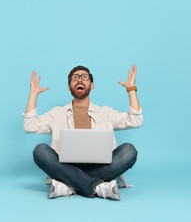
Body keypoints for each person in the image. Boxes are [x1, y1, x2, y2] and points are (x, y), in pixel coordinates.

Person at [23, 65, 143, 200]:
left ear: (92, 85)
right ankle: (97, 187)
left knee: (129, 151)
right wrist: (33, 94)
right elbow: (30, 125)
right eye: (75, 78)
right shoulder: (57, 113)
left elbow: (135, 120)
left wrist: (131, 89)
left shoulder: (105, 112)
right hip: (65, 166)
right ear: (69, 87)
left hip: (99, 167)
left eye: (84, 77)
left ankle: (69, 184)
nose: (80, 80)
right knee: (40, 151)